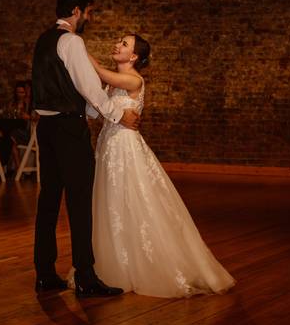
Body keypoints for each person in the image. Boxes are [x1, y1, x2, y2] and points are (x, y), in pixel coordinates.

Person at [88, 34, 235, 297]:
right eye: (119, 41)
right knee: (112, 204)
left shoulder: (134, 79)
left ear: (133, 57)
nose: (117, 45)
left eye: (124, 44)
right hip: (108, 146)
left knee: (135, 201)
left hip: (126, 149)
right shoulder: (114, 84)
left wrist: (76, 48)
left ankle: (148, 265)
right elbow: (102, 102)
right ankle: (117, 262)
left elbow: (101, 73)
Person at [31, 0, 139, 298]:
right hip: (67, 129)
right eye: (89, 12)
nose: (89, 17)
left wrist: (93, 111)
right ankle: (86, 276)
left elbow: (67, 86)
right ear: (77, 11)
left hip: (46, 128)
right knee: (79, 203)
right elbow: (88, 86)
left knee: (48, 200)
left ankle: (44, 273)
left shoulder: (43, 40)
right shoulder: (71, 41)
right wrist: (114, 115)